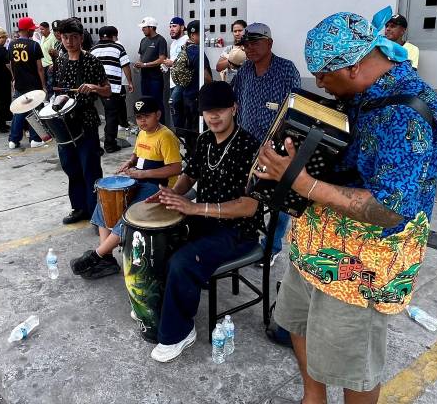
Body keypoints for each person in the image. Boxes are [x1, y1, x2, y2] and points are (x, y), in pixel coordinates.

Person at [257, 9, 437, 404]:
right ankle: (314, 398)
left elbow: (390, 208)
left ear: (355, 65)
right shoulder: (360, 95)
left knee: (351, 363)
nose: (321, 84)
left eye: (325, 75)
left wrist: (302, 181)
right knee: (300, 322)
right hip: (314, 245)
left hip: (361, 266)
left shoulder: (404, 114)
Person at [145, 81, 264, 362]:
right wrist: (171, 195)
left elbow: (249, 207)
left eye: (220, 109)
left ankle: (179, 332)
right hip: (205, 221)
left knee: (182, 261)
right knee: (159, 243)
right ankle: (162, 307)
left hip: (237, 232)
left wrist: (194, 208)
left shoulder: (250, 148)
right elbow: (191, 174)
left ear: (235, 108)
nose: (214, 116)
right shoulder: (204, 140)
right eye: (208, 111)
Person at [71, 96, 182, 279]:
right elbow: (136, 154)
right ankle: (106, 257)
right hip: (141, 181)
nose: (142, 121)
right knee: (105, 200)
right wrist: (129, 162)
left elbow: (176, 168)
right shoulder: (142, 133)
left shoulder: (166, 136)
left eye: (146, 116)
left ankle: (97, 255)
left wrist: (143, 174)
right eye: (139, 117)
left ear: (158, 114)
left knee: (128, 214)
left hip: (159, 187)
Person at [232, 22, 301, 260]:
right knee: (246, 194)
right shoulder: (244, 71)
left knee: (277, 202)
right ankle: (247, 237)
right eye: (246, 44)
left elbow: (294, 111)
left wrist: (277, 143)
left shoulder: (286, 70)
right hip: (246, 145)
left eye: (255, 43)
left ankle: (271, 248)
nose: (249, 48)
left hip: (276, 149)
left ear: (269, 43)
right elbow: (236, 102)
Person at [50, 18, 110, 224]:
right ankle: (79, 208)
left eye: (73, 37)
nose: (69, 41)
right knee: (70, 166)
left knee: (90, 168)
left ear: (81, 38)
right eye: (65, 37)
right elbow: (57, 89)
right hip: (65, 124)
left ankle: (96, 214)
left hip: (86, 122)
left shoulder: (92, 61)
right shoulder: (60, 61)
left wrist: (94, 88)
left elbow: (108, 90)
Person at [89, 25, 134, 153]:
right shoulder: (118, 47)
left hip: (96, 87)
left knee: (102, 113)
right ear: (114, 36)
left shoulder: (93, 49)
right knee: (111, 116)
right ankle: (110, 144)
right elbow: (125, 66)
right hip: (112, 87)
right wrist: (130, 82)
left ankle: (96, 145)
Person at [7, 17, 48, 149]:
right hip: (33, 83)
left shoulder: (11, 44)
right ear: (26, 30)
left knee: (19, 110)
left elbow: (11, 64)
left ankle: (13, 140)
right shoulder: (34, 45)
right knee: (34, 111)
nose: (33, 32)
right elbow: (40, 68)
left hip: (19, 82)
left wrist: (14, 79)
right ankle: (35, 139)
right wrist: (43, 85)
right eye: (31, 30)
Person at [174, 20, 213, 148]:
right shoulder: (198, 52)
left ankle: (190, 154)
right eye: (202, 33)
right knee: (199, 129)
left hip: (187, 95)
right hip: (198, 96)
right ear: (192, 35)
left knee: (190, 127)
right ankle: (197, 156)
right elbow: (206, 77)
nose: (205, 36)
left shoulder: (185, 49)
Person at [135, 16, 169, 114]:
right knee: (146, 102)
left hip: (155, 78)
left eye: (144, 27)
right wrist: (138, 65)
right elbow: (141, 56)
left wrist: (144, 64)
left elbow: (162, 59)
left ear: (151, 27)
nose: (142, 30)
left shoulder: (160, 40)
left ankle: (161, 126)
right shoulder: (143, 40)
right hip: (144, 77)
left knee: (157, 103)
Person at [164, 17, 188, 128]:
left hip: (182, 82)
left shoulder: (187, 40)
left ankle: (182, 134)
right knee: (177, 108)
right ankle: (180, 134)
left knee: (173, 103)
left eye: (174, 26)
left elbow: (185, 61)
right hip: (173, 81)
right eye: (170, 27)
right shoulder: (173, 44)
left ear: (182, 27)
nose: (171, 29)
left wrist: (172, 63)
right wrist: (165, 65)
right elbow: (173, 60)